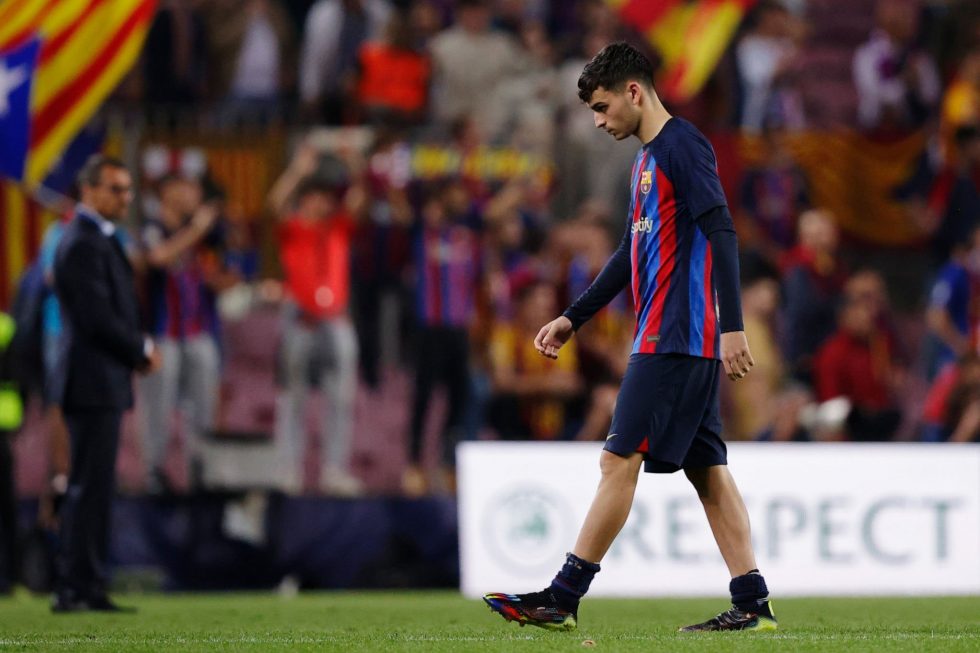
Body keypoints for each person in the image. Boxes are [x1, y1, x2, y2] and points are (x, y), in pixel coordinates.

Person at [483, 42, 775, 633]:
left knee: (618, 459)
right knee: (708, 469)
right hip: (671, 336)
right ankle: (752, 603)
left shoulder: (682, 146)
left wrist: (733, 326)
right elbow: (628, 253)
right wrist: (573, 318)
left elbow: (722, 230)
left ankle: (562, 596)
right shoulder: (645, 161)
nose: (598, 121)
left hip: (673, 336)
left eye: (601, 106)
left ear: (634, 92)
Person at [50, 155, 161, 612]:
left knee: (94, 486)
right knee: (87, 486)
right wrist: (140, 350)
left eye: (128, 189)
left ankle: (87, 584)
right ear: (88, 189)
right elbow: (97, 318)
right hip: (91, 379)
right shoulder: (82, 241)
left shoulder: (95, 238)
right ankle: (75, 586)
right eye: (115, 188)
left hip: (100, 378)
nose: (125, 198)